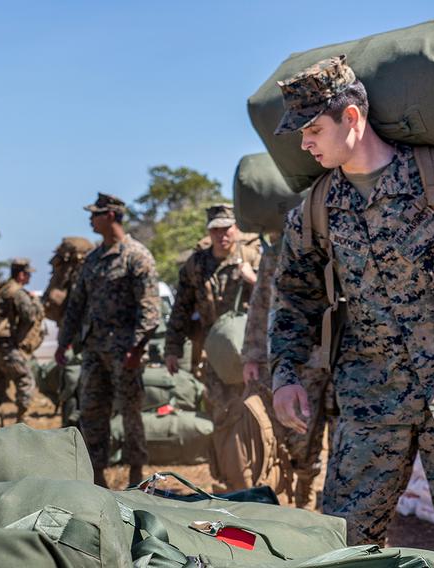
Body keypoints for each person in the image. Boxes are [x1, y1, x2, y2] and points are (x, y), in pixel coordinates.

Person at [268, 55, 434, 566]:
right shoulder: (316, 209)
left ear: (352, 118)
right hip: (370, 400)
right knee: (345, 541)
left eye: (312, 129)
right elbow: (293, 298)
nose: (304, 143)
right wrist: (285, 374)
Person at [56, 192, 160, 487]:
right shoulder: (93, 260)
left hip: (125, 350)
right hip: (94, 350)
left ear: (111, 216)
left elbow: (150, 309)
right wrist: (64, 341)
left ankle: (138, 475)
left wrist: (137, 348)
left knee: (130, 413)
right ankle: (98, 478)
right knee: (91, 412)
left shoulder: (136, 256)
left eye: (96, 213)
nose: (91, 218)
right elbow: (77, 304)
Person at [241, 232, 330, 510]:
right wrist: (253, 355)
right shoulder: (278, 250)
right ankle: (305, 491)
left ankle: (327, 500)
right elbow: (261, 304)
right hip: (302, 359)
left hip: (347, 357)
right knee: (300, 433)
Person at [164, 204, 259, 422]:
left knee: (254, 410)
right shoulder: (196, 264)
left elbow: (272, 300)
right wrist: (172, 349)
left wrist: (253, 279)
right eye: (215, 230)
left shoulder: (252, 258)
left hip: (249, 350)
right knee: (218, 411)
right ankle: (224, 455)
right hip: (214, 351)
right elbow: (181, 309)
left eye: (226, 228)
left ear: (236, 228)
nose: (221, 235)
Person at [0, 258, 41, 427]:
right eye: (28, 274)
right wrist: (35, 302)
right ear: (21, 275)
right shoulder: (17, 292)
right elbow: (29, 316)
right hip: (5, 345)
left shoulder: (1, 288)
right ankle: (22, 419)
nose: (29, 278)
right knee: (25, 378)